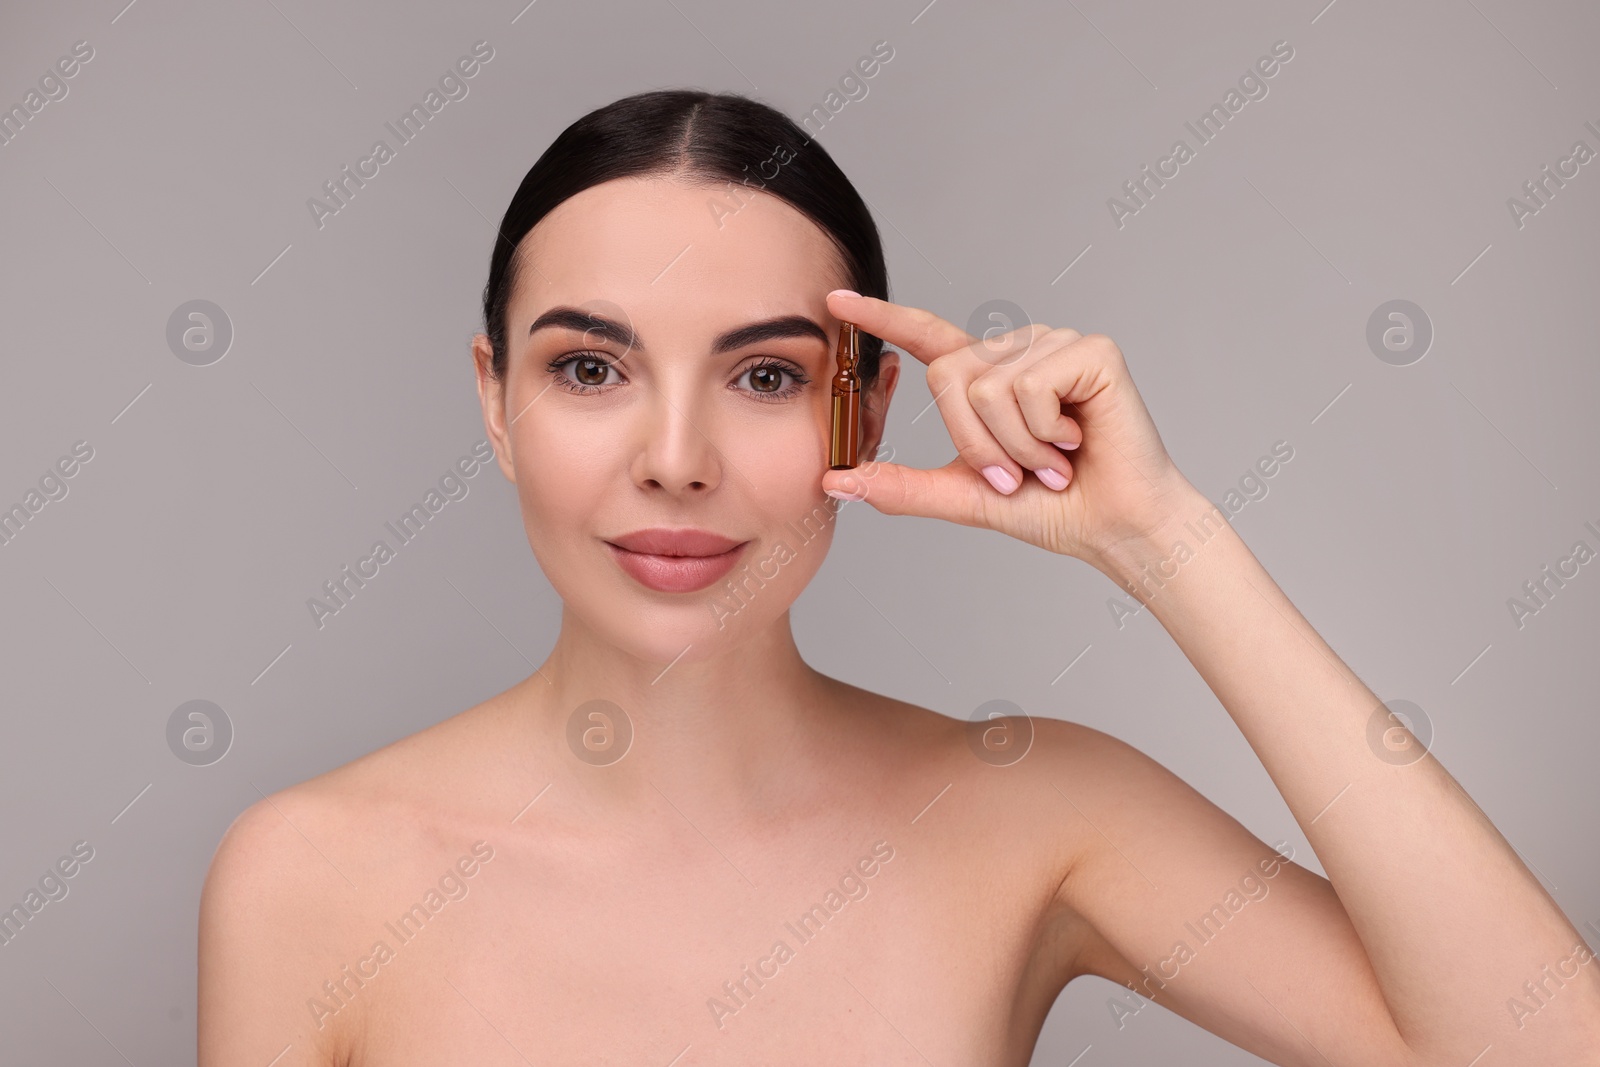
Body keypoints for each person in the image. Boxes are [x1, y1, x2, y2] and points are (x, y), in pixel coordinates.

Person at [198, 89, 1600, 1066]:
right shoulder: (312, 877)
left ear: (862, 409)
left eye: (763, 375)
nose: (674, 459)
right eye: (589, 368)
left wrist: (1161, 538)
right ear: (497, 406)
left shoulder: (1037, 812)